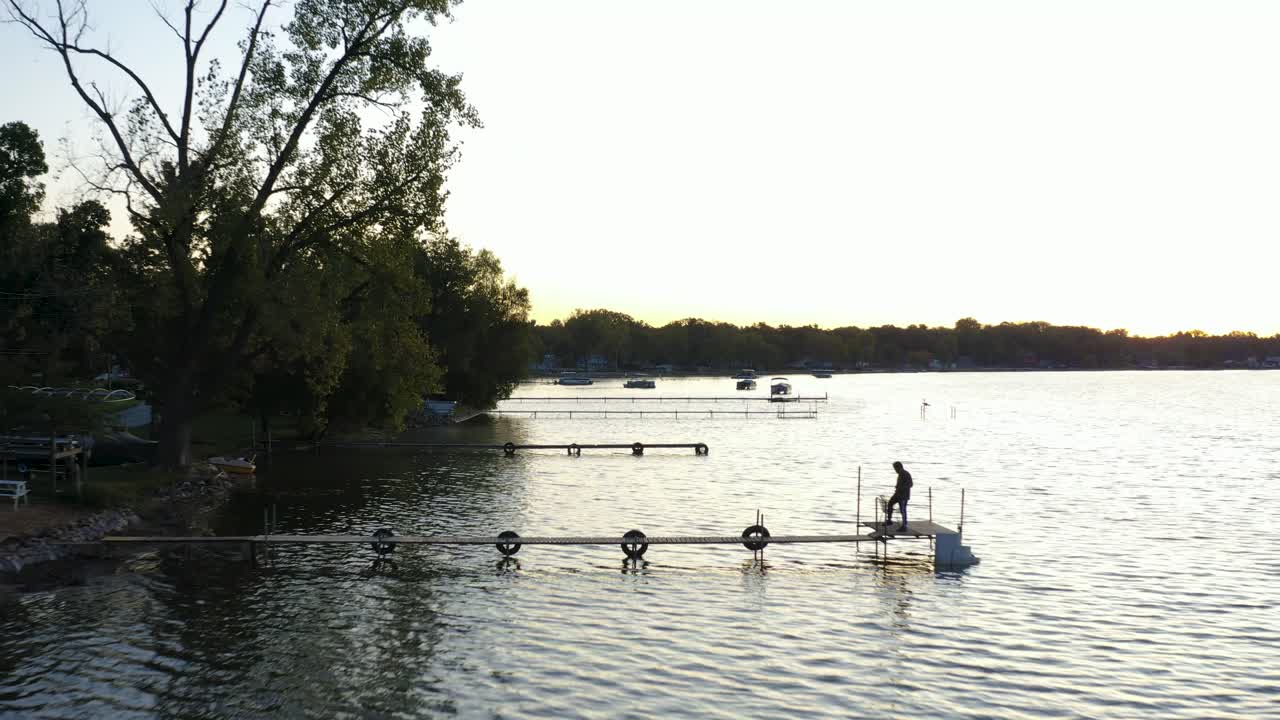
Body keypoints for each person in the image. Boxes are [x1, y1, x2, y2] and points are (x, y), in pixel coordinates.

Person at [884, 461, 912, 532]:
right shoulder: (900, 474)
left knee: (903, 509)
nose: (895, 470)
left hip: (903, 495)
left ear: (899, 467)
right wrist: (898, 487)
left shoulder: (905, 474)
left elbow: (910, 484)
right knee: (890, 503)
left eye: (895, 469)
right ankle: (889, 520)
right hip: (897, 494)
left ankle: (904, 526)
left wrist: (901, 488)